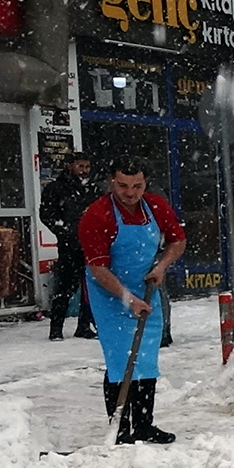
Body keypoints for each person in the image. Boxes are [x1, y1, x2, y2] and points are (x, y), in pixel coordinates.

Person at [78, 159, 187, 444]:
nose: (130, 192)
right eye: (123, 185)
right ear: (112, 183)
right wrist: (127, 298)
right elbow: (98, 268)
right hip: (109, 294)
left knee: (146, 357)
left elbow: (178, 240)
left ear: (145, 183)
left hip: (147, 287)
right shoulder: (97, 215)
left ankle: (143, 424)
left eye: (137, 185)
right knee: (121, 359)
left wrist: (161, 266)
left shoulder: (155, 206)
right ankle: (121, 428)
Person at [41, 152, 100, 340]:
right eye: (80, 166)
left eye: (87, 167)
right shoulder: (56, 188)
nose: (84, 171)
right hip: (69, 245)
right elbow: (47, 214)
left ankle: (84, 325)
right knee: (66, 287)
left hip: (91, 245)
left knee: (90, 287)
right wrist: (64, 231)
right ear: (70, 166)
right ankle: (56, 327)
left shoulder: (92, 189)